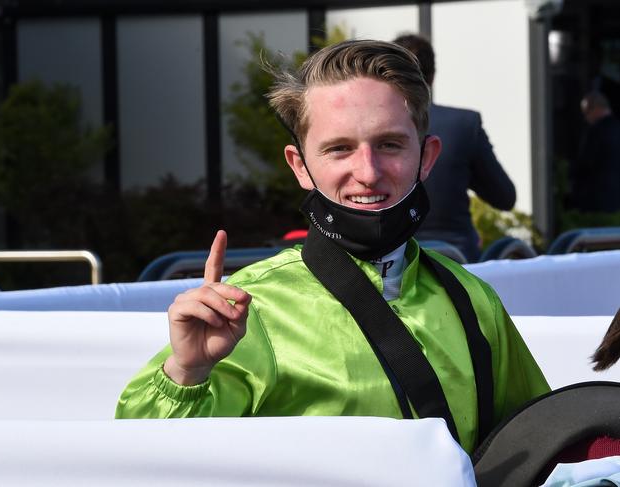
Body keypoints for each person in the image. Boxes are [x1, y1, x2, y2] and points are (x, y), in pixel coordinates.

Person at [116, 39, 549, 454]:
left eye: (389, 145)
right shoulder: (250, 310)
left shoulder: (474, 300)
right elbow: (142, 461)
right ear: (300, 166)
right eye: (339, 149)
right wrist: (187, 372)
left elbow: (541, 444)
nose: (368, 172)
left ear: (427, 157)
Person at [393, 34, 516, 262]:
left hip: (391, 265)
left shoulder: (366, 129)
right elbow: (504, 197)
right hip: (457, 263)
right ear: (432, 76)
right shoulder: (462, 124)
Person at [570, 91, 620, 213]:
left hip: (597, 201)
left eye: (587, 112)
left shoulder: (596, 131)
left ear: (597, 108)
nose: (586, 118)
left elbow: (585, 164)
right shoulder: (617, 127)